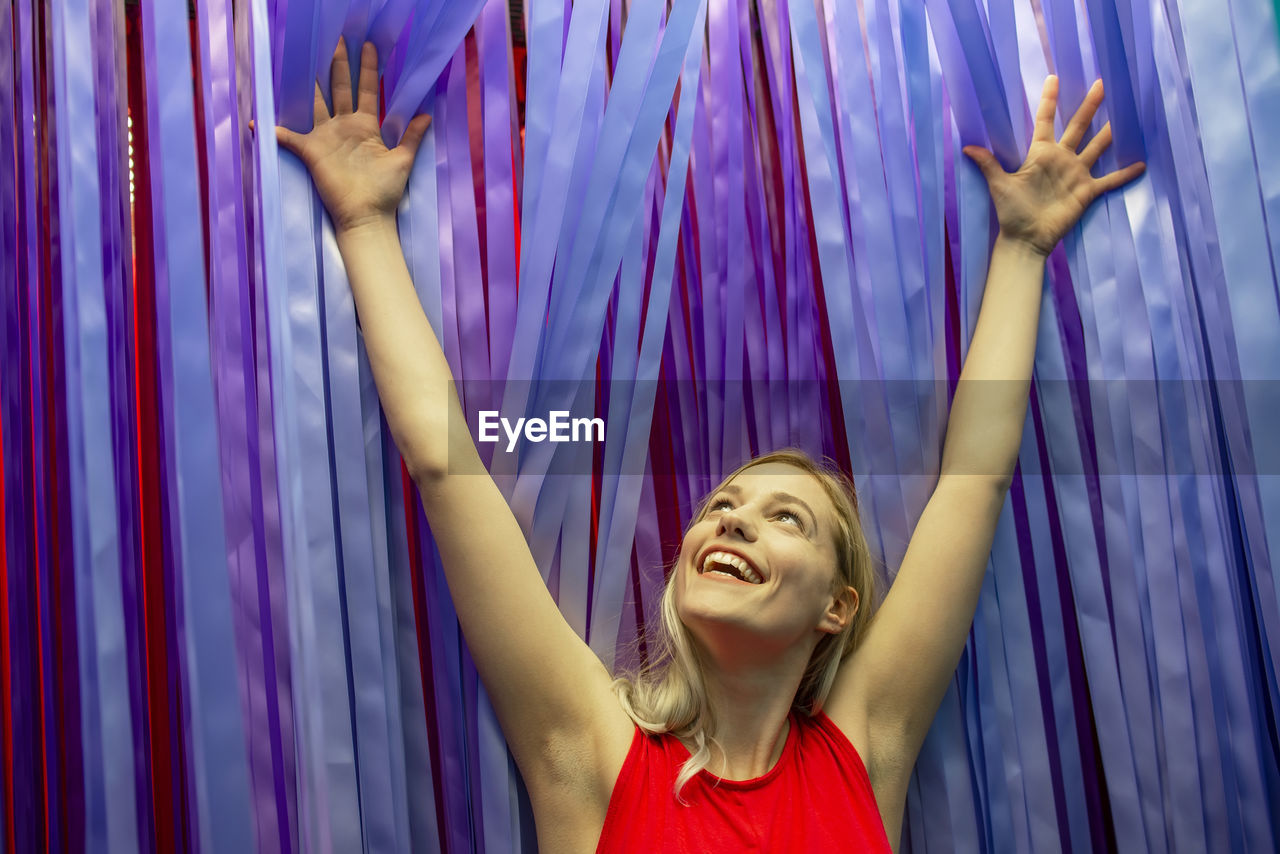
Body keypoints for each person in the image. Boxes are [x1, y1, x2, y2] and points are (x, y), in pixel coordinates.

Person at [274, 38, 1145, 853]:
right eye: (723, 508)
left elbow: (973, 480)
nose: (731, 522)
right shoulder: (591, 753)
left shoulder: (865, 748)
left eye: (785, 519)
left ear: (837, 607)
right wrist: (364, 228)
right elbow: (444, 462)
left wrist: (1026, 245)